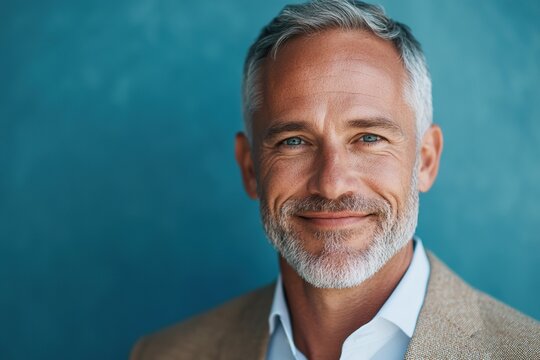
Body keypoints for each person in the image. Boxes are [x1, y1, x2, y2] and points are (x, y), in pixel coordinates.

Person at [131, 0, 540, 359]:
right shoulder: (163, 354)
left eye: (368, 138)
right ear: (250, 167)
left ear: (426, 160)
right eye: (294, 141)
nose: (332, 184)